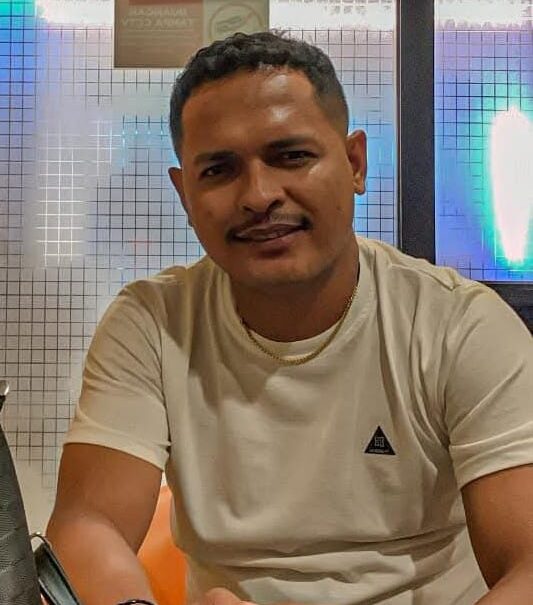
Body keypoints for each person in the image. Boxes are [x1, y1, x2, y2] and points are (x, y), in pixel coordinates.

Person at [46, 32, 533, 605]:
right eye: (219, 170)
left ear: (354, 163)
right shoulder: (152, 325)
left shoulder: (459, 325)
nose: (258, 195)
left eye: (291, 157)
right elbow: (90, 524)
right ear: (184, 194)